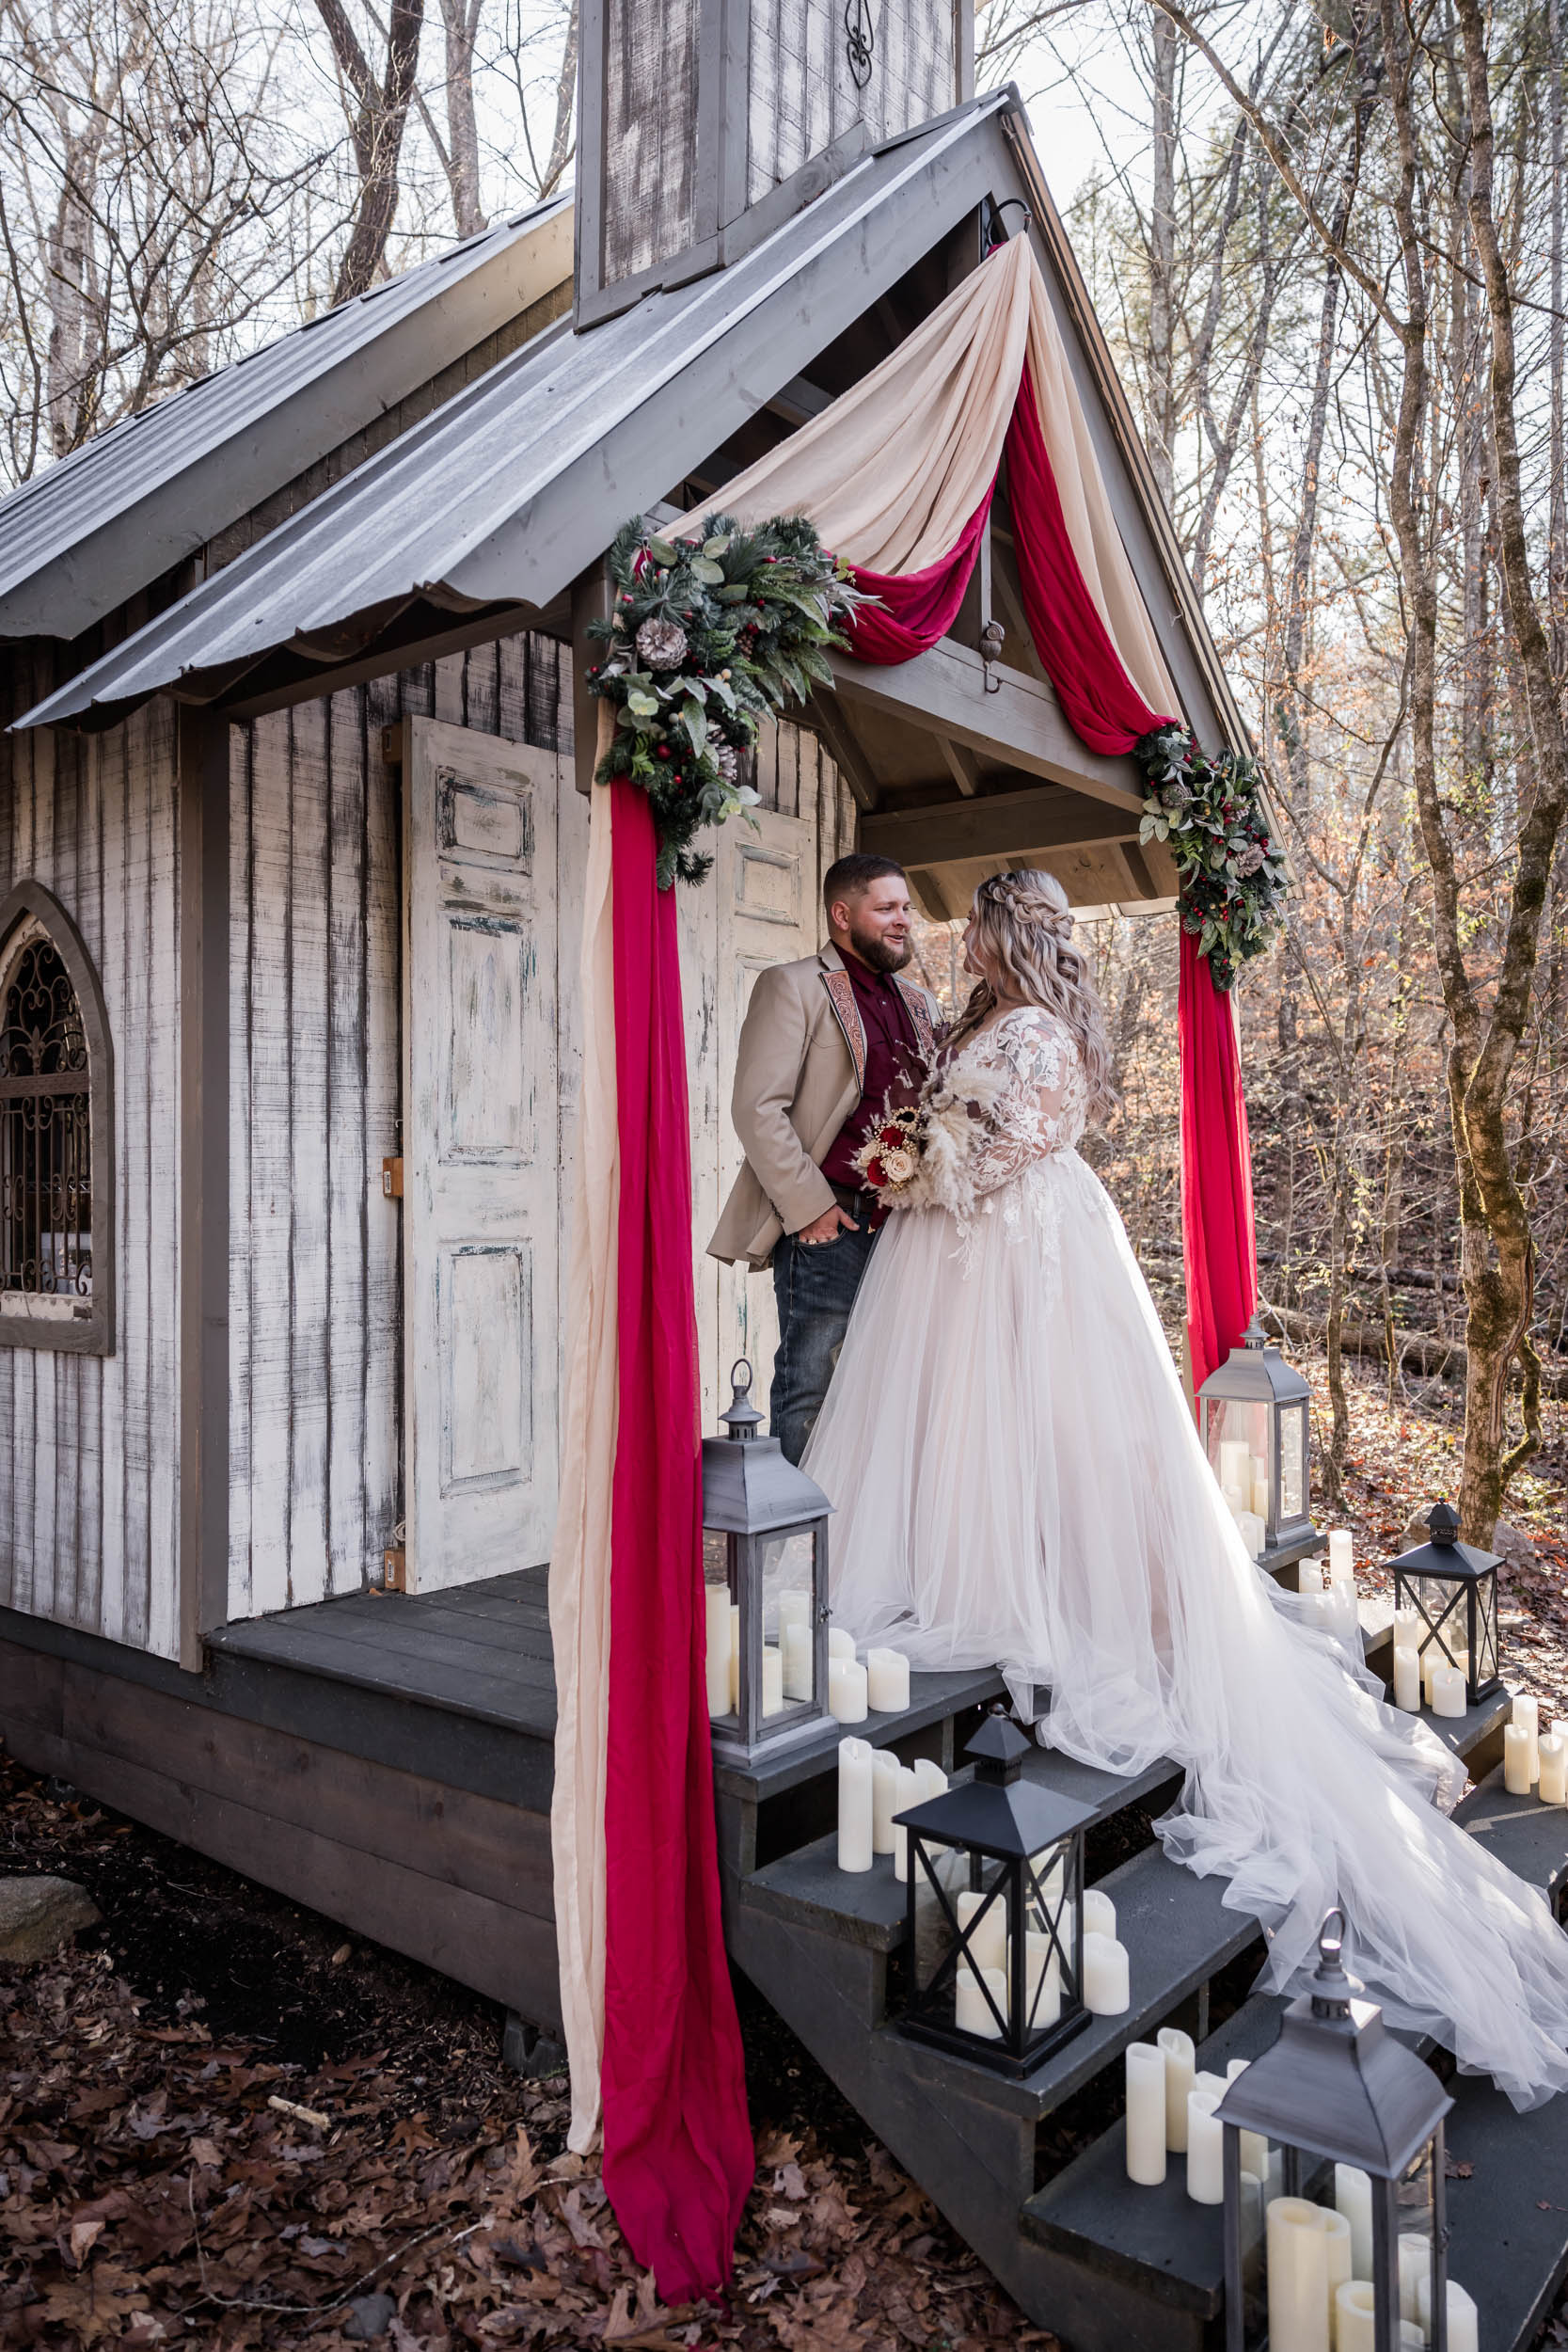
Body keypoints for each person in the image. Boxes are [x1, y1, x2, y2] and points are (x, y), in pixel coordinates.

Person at [803, 866, 1568, 2107]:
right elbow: (954, 1134)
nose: (961, 945)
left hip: (1029, 1253)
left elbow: (1019, 1141)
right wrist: (919, 1158)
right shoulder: (974, 1023)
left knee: (1055, 1439)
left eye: (976, 929)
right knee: (963, 1435)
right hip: (954, 1262)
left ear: (1007, 937)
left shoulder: (1039, 1030)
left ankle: (1073, 1592)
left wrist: (933, 1166)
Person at [708, 854, 938, 1465]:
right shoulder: (792, 985)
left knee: (892, 1384)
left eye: (906, 908)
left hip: (906, 1228)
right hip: (828, 1224)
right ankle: (799, 1546)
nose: (902, 921)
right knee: (810, 1385)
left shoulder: (920, 1001)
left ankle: (863, 1536)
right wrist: (809, 1210)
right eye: (885, 908)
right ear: (841, 915)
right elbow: (758, 1108)